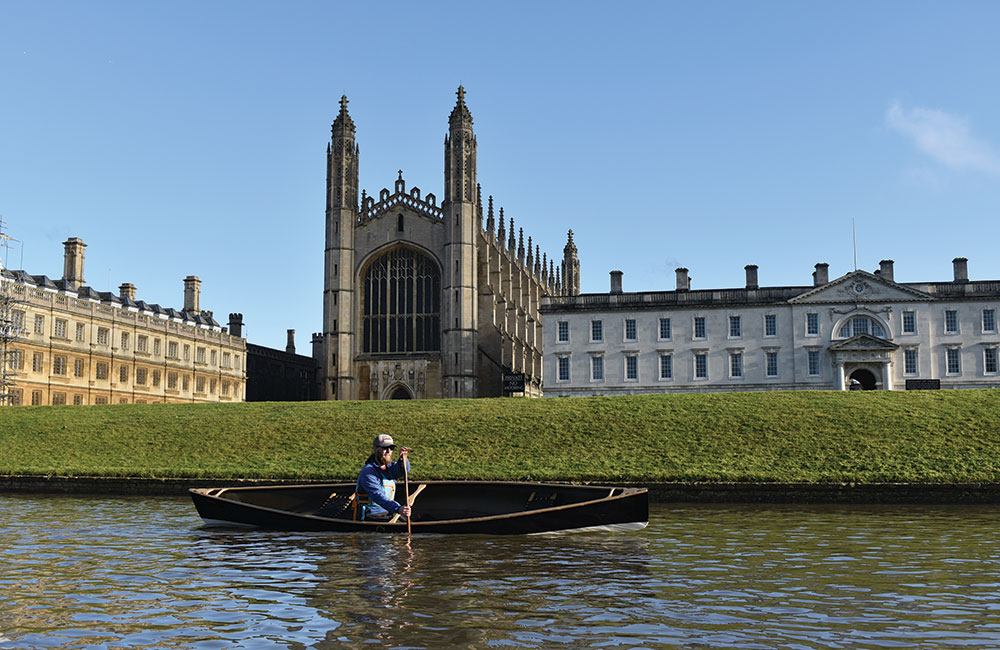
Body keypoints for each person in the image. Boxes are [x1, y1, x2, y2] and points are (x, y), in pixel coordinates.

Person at [355, 434, 411, 521]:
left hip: (388, 512)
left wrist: (402, 460)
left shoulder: (389, 468)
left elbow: (403, 471)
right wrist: (398, 508)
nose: (389, 451)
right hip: (370, 514)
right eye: (385, 448)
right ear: (375, 448)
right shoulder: (368, 472)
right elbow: (378, 496)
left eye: (391, 448)